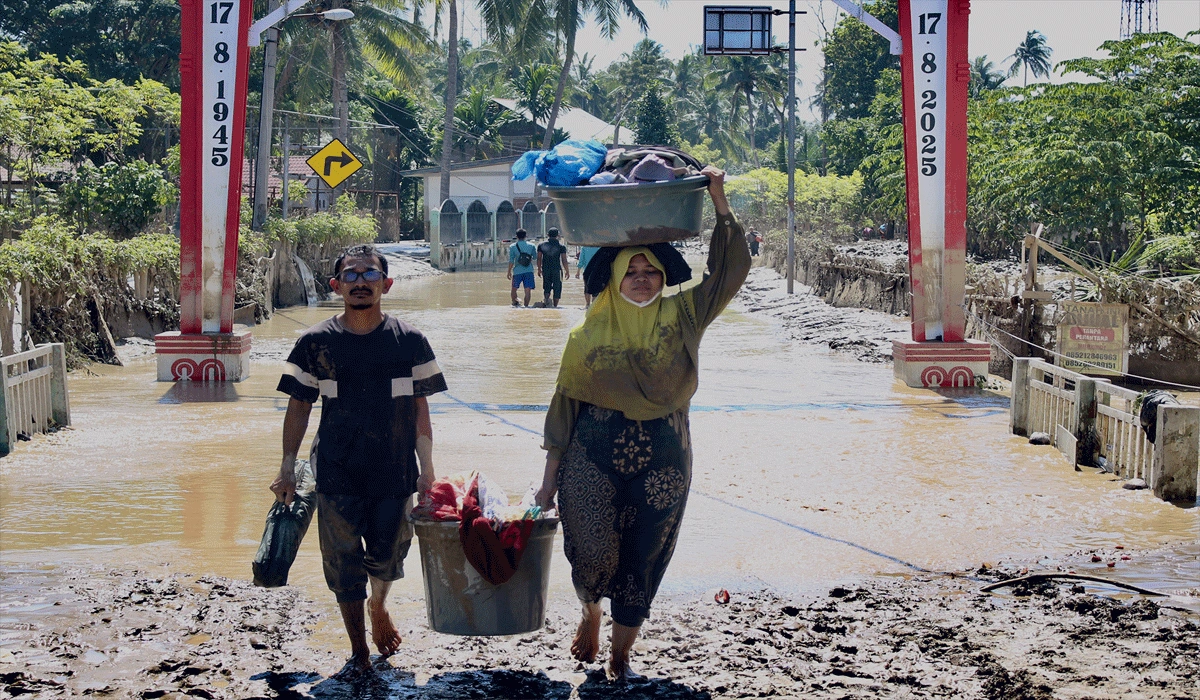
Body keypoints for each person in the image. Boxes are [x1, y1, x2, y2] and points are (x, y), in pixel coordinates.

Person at [534, 166, 750, 681]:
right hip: (590, 457)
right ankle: (590, 612)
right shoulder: (584, 336)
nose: (641, 278)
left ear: (662, 275)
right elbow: (563, 411)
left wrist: (718, 199)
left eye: (650, 270)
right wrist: (546, 483)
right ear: (612, 278)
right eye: (631, 271)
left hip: (665, 457)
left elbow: (728, 270)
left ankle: (620, 655)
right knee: (590, 549)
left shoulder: (686, 315)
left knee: (642, 560)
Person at [271, 244, 448, 677]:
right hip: (336, 470)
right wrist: (287, 465)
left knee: (389, 556)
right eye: (350, 275)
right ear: (336, 286)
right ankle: (358, 651)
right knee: (342, 562)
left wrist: (427, 468)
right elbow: (299, 406)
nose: (360, 282)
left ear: (386, 284)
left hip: (394, 470)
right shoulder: (315, 343)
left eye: (370, 274)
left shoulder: (410, 341)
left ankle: (379, 605)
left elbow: (421, 409)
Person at [537, 228, 570, 308]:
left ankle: (547, 301)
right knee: (557, 288)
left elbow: (539, 258)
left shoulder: (541, 245)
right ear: (558, 235)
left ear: (548, 235)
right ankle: (555, 306)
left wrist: (539, 269)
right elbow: (564, 260)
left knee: (546, 287)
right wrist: (567, 271)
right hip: (557, 270)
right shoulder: (561, 246)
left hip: (546, 269)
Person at [508, 229, 536, 307]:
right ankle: (526, 307)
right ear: (526, 236)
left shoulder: (512, 247)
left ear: (516, 236)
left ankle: (515, 304)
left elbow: (511, 260)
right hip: (529, 271)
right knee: (527, 291)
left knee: (514, 289)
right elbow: (535, 257)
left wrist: (509, 272)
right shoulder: (532, 246)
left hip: (517, 271)